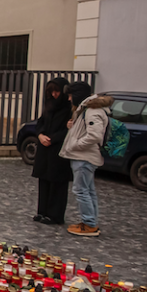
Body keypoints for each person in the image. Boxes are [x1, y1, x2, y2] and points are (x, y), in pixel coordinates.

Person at [59, 82, 113, 237]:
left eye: (70, 95)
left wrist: (76, 144)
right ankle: (90, 222)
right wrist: (72, 126)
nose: (69, 99)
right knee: (88, 190)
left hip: (84, 157)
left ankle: (89, 224)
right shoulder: (87, 109)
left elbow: (94, 135)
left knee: (81, 190)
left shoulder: (91, 110)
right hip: (85, 156)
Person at [31, 77, 73, 224]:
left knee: (57, 182)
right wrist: (41, 135)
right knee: (44, 180)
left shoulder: (68, 109)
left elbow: (68, 130)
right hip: (44, 148)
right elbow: (41, 122)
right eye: (51, 92)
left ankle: (55, 215)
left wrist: (52, 138)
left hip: (58, 149)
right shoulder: (49, 106)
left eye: (57, 91)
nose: (54, 95)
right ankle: (42, 211)